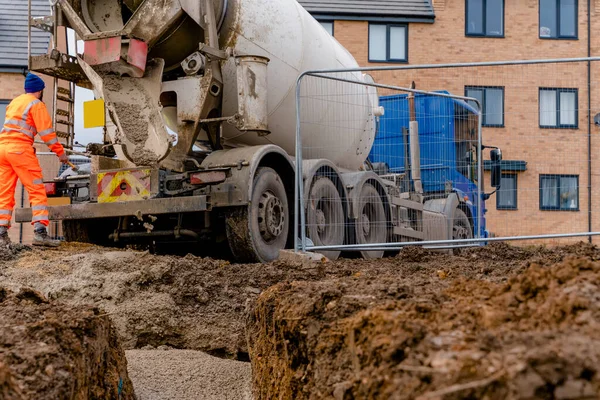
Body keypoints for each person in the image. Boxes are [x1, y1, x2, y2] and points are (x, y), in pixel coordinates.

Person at [0, 73, 69, 247]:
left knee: (5, 192)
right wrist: (60, 153)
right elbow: (47, 134)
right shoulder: (36, 104)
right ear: (40, 90)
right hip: (20, 151)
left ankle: (1, 234)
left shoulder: (15, 102)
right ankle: (40, 233)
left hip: (3, 150)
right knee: (37, 189)